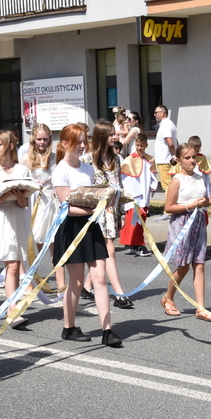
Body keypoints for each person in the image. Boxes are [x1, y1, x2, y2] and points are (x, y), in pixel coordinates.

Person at [52, 124, 122, 346]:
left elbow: (91, 195)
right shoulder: (60, 170)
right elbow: (67, 206)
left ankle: (107, 330)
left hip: (91, 226)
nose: (83, 146)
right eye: (78, 142)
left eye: (85, 141)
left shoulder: (88, 168)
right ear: (65, 144)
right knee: (77, 280)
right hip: (71, 228)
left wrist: (106, 199)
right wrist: (96, 208)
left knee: (100, 277)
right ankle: (69, 327)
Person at [158, 143, 211, 320]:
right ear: (178, 160)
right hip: (182, 224)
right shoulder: (177, 180)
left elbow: (201, 200)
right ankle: (168, 297)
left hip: (198, 223)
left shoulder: (200, 177)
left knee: (199, 264)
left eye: (194, 157)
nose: (192, 161)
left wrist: (208, 201)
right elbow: (168, 207)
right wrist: (193, 205)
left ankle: (201, 308)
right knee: (183, 266)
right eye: (187, 158)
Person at [0, 130, 32, 329]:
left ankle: (13, 308)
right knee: (10, 264)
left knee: (15, 265)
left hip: (17, 217)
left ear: (10, 146)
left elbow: (24, 203)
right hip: (0, 218)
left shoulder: (22, 170)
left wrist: (18, 195)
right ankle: (13, 309)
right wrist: (3, 194)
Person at [80, 120, 132, 309]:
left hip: (111, 211)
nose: (115, 137)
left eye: (114, 134)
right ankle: (119, 294)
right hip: (95, 212)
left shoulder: (115, 159)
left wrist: (122, 211)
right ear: (102, 136)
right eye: (111, 134)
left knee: (103, 251)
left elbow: (120, 186)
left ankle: (87, 286)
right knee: (109, 249)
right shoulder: (87, 160)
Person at [25, 124, 64, 288]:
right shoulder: (26, 158)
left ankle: (61, 285)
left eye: (45, 139)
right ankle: (30, 283)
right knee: (34, 246)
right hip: (34, 203)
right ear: (33, 138)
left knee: (55, 247)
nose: (42, 142)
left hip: (51, 203)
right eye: (39, 139)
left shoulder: (55, 157)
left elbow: (60, 179)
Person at [120, 133, 157, 258]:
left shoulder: (149, 159)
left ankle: (135, 244)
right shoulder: (129, 160)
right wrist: (136, 194)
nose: (139, 148)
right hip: (136, 197)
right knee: (136, 220)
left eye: (142, 145)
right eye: (137, 145)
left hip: (145, 196)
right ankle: (138, 244)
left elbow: (152, 175)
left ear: (146, 145)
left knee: (142, 220)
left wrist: (153, 184)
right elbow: (127, 179)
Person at [153, 105, 178, 194]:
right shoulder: (170, 124)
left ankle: (169, 207)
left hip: (164, 160)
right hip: (168, 159)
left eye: (156, 112)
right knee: (171, 185)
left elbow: (170, 143)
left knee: (167, 186)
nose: (154, 115)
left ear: (163, 113)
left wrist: (176, 154)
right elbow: (175, 141)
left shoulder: (165, 125)